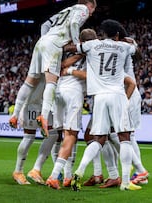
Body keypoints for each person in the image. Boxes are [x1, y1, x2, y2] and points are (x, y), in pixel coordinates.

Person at [67, 19, 141, 191]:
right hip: (117, 95)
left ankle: (80, 170)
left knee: (98, 140)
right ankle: (124, 182)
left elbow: (72, 48)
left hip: (99, 97)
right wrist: (131, 41)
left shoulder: (92, 45)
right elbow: (136, 51)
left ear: (102, 34)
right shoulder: (123, 46)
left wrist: (68, 46)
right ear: (116, 35)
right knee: (125, 139)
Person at [9, 0, 97, 138]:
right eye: (93, 9)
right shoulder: (83, 9)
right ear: (90, 4)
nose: (92, 13)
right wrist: (76, 44)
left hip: (41, 42)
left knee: (29, 82)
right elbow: (74, 24)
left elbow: (45, 25)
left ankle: (14, 115)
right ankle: (43, 116)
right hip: (53, 46)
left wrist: (48, 40)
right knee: (51, 82)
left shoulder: (66, 9)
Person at [45, 28, 98, 190]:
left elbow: (61, 65)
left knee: (64, 134)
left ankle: (67, 176)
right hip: (73, 93)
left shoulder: (68, 52)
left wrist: (72, 61)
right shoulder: (93, 54)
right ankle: (55, 176)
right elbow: (89, 76)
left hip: (58, 91)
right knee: (71, 134)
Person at [12, 76, 60, 185]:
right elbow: (27, 84)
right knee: (29, 137)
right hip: (31, 105)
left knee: (53, 134)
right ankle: (18, 171)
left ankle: (36, 170)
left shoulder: (50, 65)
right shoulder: (39, 66)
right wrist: (16, 112)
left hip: (44, 105)